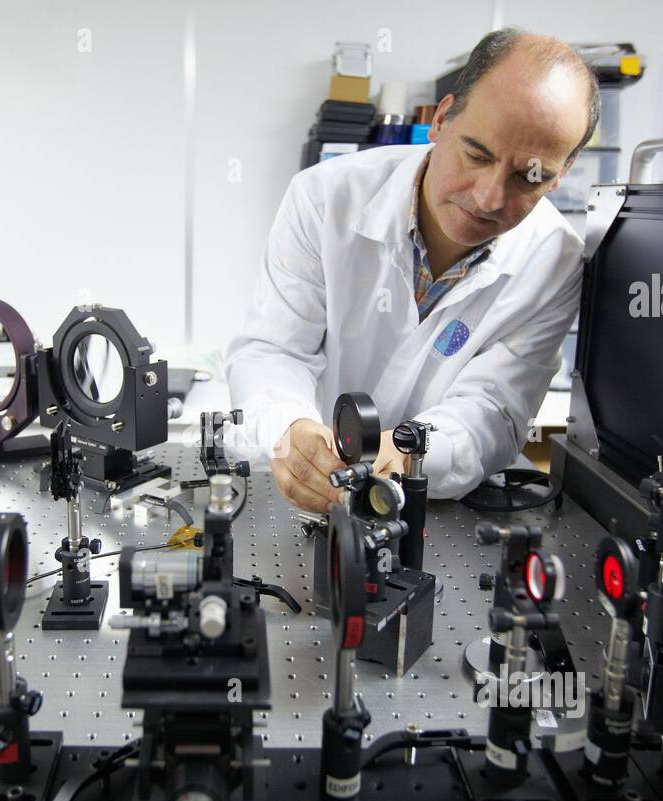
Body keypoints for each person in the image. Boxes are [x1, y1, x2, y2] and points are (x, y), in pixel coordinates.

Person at [226, 28, 596, 512]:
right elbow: (272, 351)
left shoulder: (555, 259)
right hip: (303, 498)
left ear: (560, 174)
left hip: (441, 510)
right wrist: (289, 431)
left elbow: (495, 411)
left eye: (531, 176)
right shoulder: (324, 198)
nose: (488, 197)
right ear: (440, 120)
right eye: (477, 155)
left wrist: (405, 454)